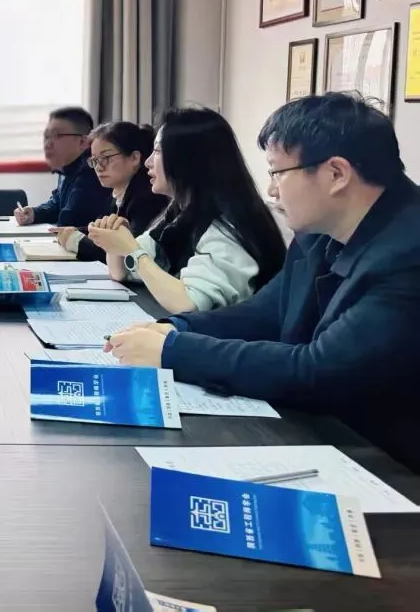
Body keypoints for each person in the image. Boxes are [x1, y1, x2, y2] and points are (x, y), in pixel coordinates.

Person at [105, 93, 420, 471]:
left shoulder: (407, 253)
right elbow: (265, 313)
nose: (271, 191)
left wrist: (175, 351)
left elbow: (319, 371)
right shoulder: (319, 232)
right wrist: (175, 328)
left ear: (337, 174)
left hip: (392, 465)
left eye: (277, 173)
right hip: (327, 433)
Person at [87, 108, 285, 313]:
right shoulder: (180, 213)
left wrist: (132, 251)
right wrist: (117, 243)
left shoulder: (227, 225)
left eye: (157, 151)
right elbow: (122, 273)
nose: (148, 162)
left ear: (188, 160)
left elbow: (190, 303)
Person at [51, 121, 168, 262]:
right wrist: (76, 231)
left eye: (105, 158)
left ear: (134, 158)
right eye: (95, 160)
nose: (98, 167)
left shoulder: (147, 199)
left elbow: (129, 254)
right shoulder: (117, 193)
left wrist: (75, 241)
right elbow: (103, 231)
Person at [14, 107, 112, 228]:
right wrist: (34, 214)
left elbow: (69, 221)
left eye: (57, 135)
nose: (48, 143)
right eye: (47, 136)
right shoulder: (68, 168)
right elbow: (57, 204)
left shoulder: (91, 172)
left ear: (82, 142)